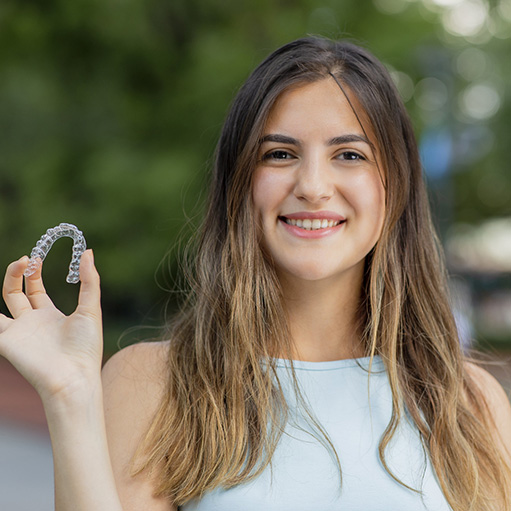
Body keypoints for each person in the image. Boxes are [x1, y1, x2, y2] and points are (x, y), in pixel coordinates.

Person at [0, 36, 510, 511]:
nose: (312, 185)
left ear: (395, 186)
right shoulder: (155, 384)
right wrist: (70, 397)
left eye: (349, 154)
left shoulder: (470, 403)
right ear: (239, 184)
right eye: (280, 154)